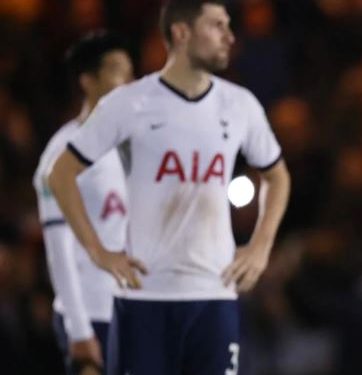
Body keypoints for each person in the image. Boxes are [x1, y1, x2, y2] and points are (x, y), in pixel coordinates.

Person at [48, 1, 291, 374]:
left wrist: (261, 246)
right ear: (181, 33)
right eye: (217, 26)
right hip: (145, 296)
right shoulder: (130, 103)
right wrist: (99, 252)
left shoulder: (239, 104)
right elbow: (61, 174)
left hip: (214, 293)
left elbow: (277, 175)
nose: (229, 36)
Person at [33, 30, 133, 375]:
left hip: (131, 309)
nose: (129, 82)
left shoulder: (133, 147)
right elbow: (57, 247)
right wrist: (79, 329)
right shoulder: (61, 154)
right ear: (88, 81)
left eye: (131, 72)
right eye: (118, 71)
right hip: (89, 313)